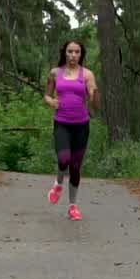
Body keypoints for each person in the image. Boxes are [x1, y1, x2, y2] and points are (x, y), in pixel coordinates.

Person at [43, 39, 98, 220]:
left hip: (81, 125)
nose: (73, 55)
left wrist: (94, 95)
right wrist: (51, 101)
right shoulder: (55, 73)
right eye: (70, 51)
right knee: (63, 159)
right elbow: (46, 95)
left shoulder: (87, 74)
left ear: (81, 55)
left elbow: (93, 99)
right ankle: (58, 183)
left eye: (77, 52)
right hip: (62, 123)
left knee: (75, 167)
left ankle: (73, 206)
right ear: (64, 53)